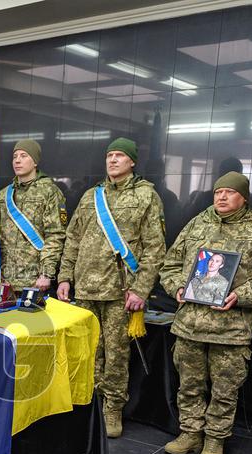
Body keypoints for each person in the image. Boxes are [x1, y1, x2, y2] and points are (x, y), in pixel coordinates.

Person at [160, 172, 252, 454]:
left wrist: (240, 296)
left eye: (229, 192)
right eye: (218, 192)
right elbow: (171, 264)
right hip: (190, 324)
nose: (221, 197)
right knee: (189, 384)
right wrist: (178, 286)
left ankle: (215, 439)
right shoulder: (197, 223)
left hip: (231, 329)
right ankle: (190, 433)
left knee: (225, 388)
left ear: (244, 197)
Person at [56, 138, 166, 438]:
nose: (113, 160)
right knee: (87, 350)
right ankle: (90, 403)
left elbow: (155, 249)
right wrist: (65, 277)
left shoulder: (146, 196)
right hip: (86, 287)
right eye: (109, 155)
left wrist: (141, 289)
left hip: (121, 290)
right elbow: (73, 239)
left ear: (132, 162)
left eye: (119, 156)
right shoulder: (92, 196)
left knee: (116, 353)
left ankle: (113, 408)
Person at [0, 139, 67, 291]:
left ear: (35, 162)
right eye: (15, 156)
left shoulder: (50, 191)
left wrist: (46, 274)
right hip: (4, 280)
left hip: (34, 281)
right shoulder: (3, 195)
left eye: (23, 155)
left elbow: (55, 235)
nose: (17, 160)